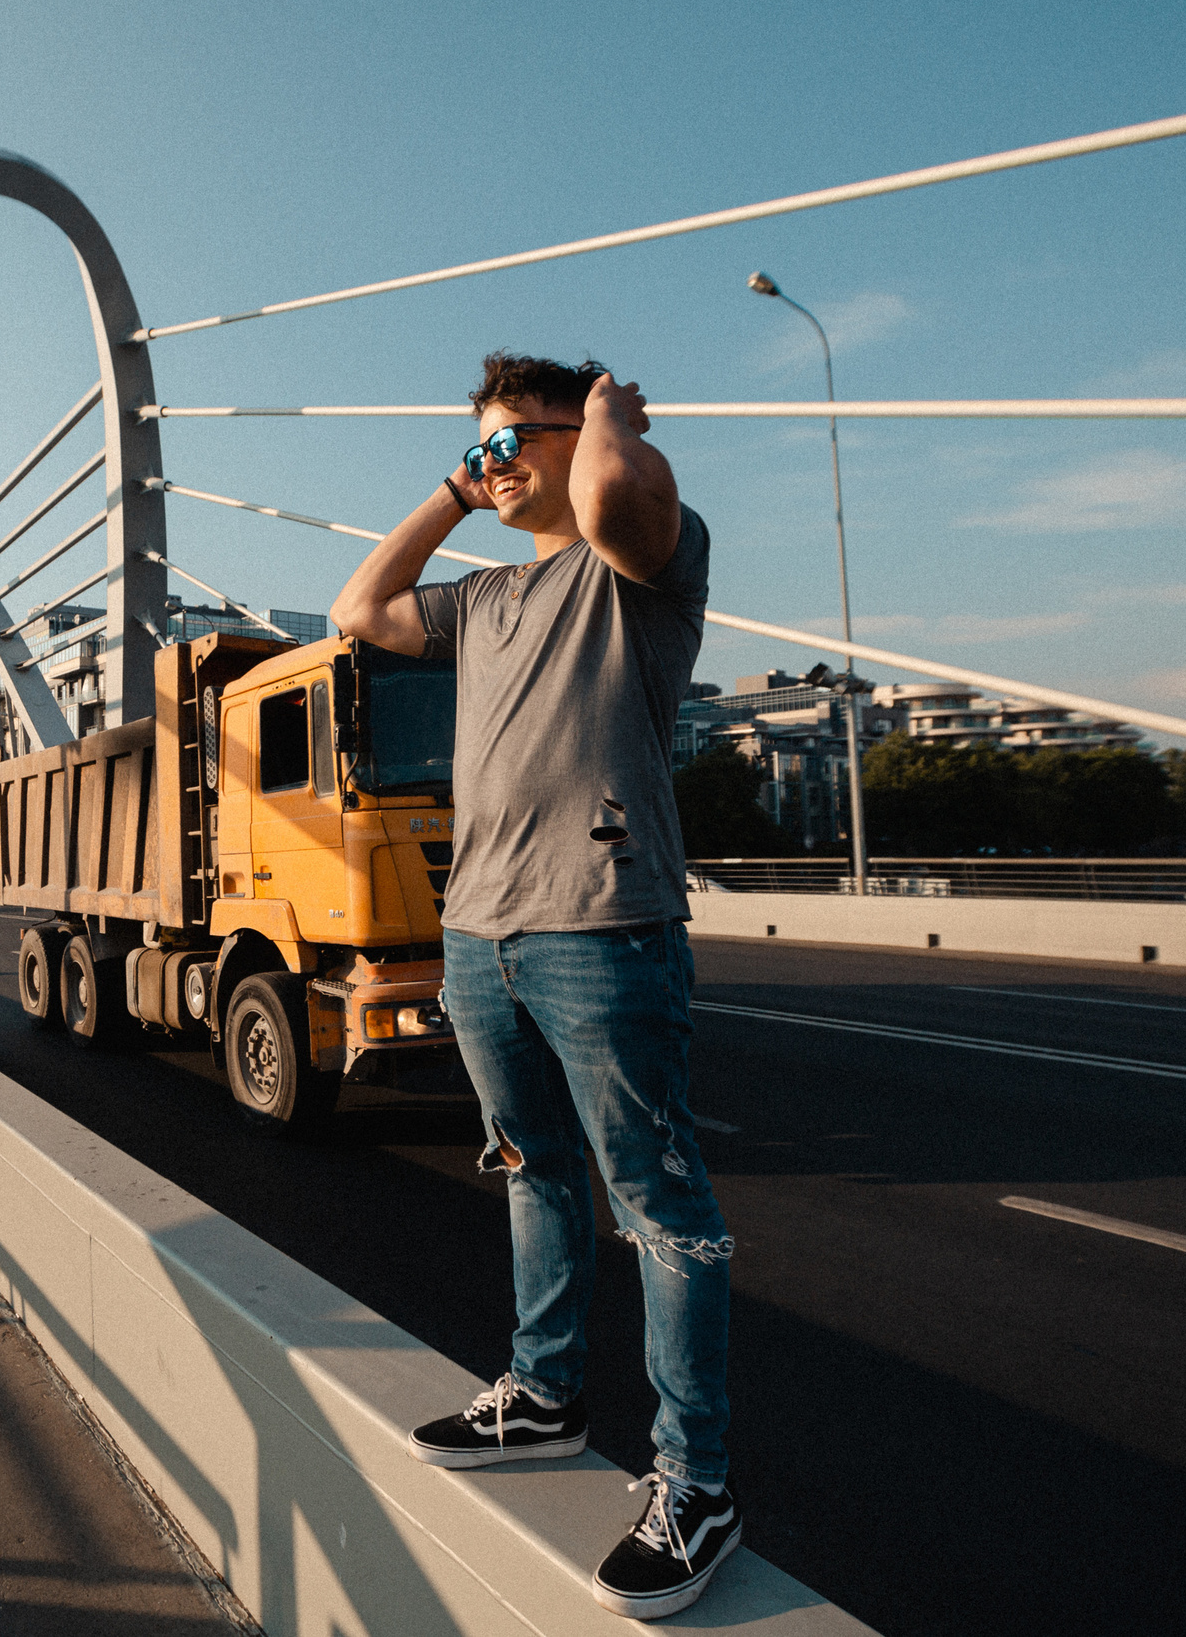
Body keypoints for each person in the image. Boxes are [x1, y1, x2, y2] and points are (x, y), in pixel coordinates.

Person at [329, 351, 735, 1622]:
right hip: (481, 933)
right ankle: (544, 1394)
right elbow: (358, 609)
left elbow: (614, 501)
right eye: (485, 447)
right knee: (529, 1167)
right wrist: (458, 488)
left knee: (657, 1201)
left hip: (603, 925)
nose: (497, 466)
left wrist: (606, 420)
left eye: (516, 444)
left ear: (580, 435)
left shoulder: (642, 560)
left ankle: (695, 1481)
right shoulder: (485, 594)